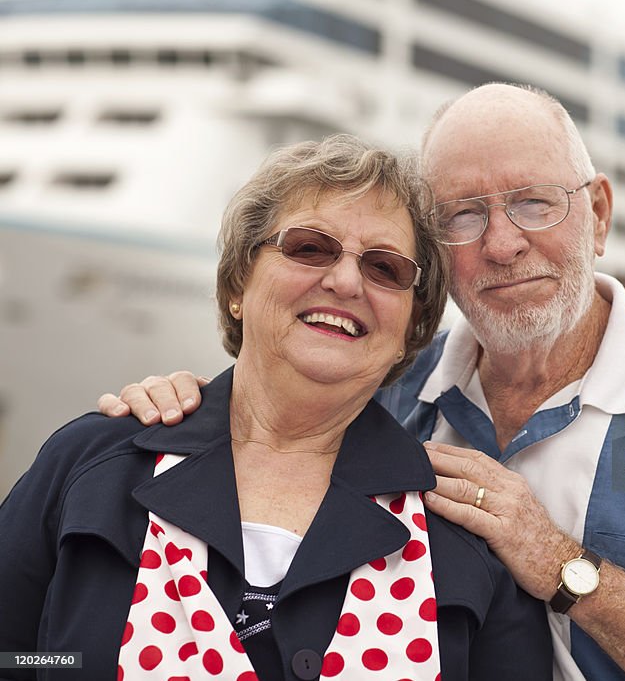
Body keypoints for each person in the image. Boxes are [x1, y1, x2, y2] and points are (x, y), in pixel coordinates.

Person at [98, 84, 625, 680]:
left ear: (599, 216)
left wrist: (569, 573)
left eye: (534, 203)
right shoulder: (391, 398)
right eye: (462, 215)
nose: (503, 243)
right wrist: (192, 407)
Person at [0, 134, 552, 681]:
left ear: (412, 326)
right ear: (239, 281)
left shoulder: (463, 537)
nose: (344, 281)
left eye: (385, 268)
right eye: (310, 247)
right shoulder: (91, 465)